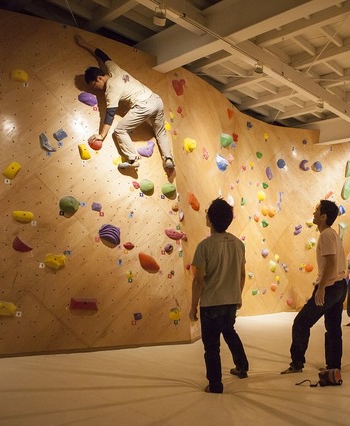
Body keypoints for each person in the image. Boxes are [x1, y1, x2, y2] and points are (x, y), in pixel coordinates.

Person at [74, 35, 175, 171]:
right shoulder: (114, 69)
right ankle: (168, 158)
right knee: (161, 131)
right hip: (156, 99)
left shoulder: (111, 89)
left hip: (144, 105)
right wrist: (85, 44)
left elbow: (110, 115)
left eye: (94, 85)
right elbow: (102, 55)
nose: (94, 89)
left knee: (120, 130)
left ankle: (132, 159)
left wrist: (101, 135)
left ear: (99, 78)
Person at [189, 198, 249, 394]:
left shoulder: (204, 247)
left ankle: (215, 384)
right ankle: (242, 366)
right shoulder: (239, 245)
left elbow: (198, 281)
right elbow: (241, 274)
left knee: (211, 346)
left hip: (211, 304)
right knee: (229, 332)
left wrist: (192, 308)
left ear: (210, 219)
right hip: (231, 301)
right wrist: (237, 296)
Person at [281, 200, 347, 374]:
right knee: (333, 327)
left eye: (317, 211)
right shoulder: (332, 234)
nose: (314, 213)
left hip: (331, 287)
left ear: (323, 216)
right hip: (339, 286)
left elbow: (331, 264)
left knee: (301, 322)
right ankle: (334, 366)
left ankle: (297, 363)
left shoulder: (326, 235)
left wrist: (321, 288)